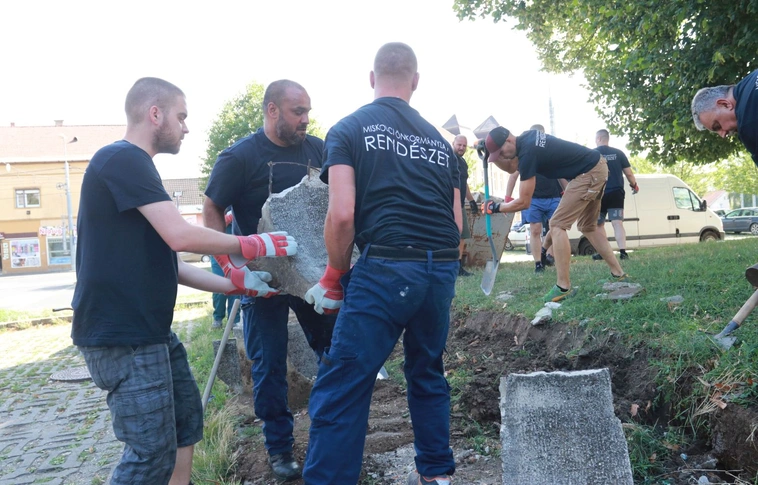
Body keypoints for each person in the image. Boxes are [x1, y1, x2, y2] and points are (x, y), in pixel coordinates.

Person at [71, 77, 295, 485]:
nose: (187, 127)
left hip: (151, 332)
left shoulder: (137, 170)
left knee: (186, 424)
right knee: (149, 455)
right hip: (122, 336)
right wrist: (253, 243)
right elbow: (181, 235)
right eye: (181, 116)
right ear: (155, 114)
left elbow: (169, 264)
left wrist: (238, 285)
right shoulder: (122, 159)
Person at [302, 42, 461, 485]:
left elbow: (342, 215)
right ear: (415, 81)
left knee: (345, 382)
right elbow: (455, 222)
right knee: (427, 372)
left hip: (388, 267)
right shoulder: (440, 143)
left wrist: (334, 276)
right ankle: (436, 476)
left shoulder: (349, 128)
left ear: (372, 78)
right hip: (440, 267)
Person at [203, 79, 336, 482]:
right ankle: (279, 449)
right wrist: (231, 266)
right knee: (269, 363)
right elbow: (211, 209)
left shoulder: (318, 150)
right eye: (298, 112)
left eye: (307, 111)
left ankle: (333, 428)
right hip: (262, 277)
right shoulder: (240, 157)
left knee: (335, 349)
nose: (306, 119)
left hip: (311, 272)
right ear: (272, 110)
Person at [482, 126, 627, 302]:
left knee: (557, 225)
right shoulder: (526, 138)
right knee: (588, 227)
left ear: (509, 140)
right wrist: (491, 154)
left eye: (501, 152)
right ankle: (618, 274)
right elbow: (512, 168)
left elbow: (524, 202)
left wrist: (497, 208)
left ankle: (563, 286)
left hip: (588, 173)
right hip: (597, 167)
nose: (503, 157)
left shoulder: (528, 153)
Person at [504, 124, 564, 273]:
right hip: (533, 199)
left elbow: (560, 173)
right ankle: (538, 264)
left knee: (556, 228)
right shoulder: (525, 153)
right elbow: (513, 176)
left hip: (554, 196)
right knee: (535, 230)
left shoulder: (550, 152)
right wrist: (508, 198)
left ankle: (549, 255)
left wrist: (567, 191)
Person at [692, 70, 758, 164]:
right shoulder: (752, 77)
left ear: (725, 104)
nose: (723, 135)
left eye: (717, 126)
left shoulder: (747, 125)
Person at [591, 129, 638, 261]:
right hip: (616, 193)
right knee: (617, 223)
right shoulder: (618, 153)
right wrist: (634, 185)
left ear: (599, 139)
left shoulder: (592, 154)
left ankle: (603, 252)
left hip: (599, 193)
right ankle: (623, 252)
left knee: (599, 224)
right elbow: (629, 173)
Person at [211, 211, 241, 328]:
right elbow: (210, 226)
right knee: (218, 286)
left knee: (236, 285)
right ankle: (218, 318)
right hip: (217, 252)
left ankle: (234, 320)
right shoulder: (215, 205)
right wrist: (227, 217)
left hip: (235, 252)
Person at [453, 134, 477, 277]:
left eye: (464, 145)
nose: (461, 147)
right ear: (453, 144)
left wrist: (472, 200)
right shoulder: (448, 159)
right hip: (448, 203)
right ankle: (446, 266)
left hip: (460, 204)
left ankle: (458, 267)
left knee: (462, 236)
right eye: (459, 145)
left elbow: (464, 183)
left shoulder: (463, 162)